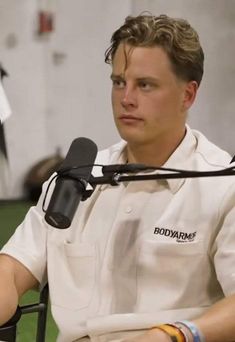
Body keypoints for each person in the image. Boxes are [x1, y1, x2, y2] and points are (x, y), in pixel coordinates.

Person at [1, 13, 235, 342]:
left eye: (145, 85)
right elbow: (11, 270)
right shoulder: (75, 180)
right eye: (118, 82)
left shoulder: (223, 185)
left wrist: (175, 334)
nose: (126, 98)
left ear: (188, 95)